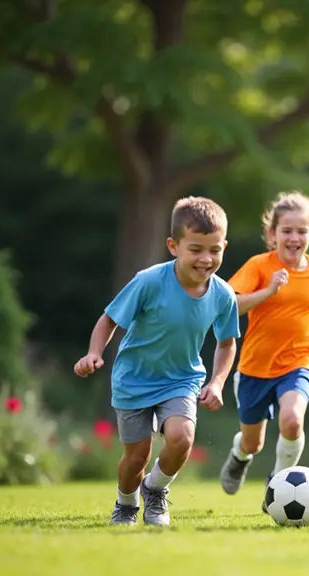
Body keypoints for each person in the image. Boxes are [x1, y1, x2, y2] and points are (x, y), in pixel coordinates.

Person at [74, 196, 240, 527]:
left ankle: (155, 490)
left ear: (223, 246)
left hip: (181, 380)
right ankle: (125, 503)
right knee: (136, 457)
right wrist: (94, 353)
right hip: (134, 379)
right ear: (173, 246)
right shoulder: (149, 281)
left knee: (182, 438)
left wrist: (218, 382)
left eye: (214, 250)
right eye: (196, 249)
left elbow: (226, 342)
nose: (206, 259)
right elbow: (109, 319)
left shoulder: (223, 294)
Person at [218, 192, 309, 512]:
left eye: (301, 231)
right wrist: (268, 290)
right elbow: (230, 305)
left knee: (291, 420)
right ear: (272, 234)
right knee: (253, 442)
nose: (294, 238)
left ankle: (278, 481)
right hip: (254, 367)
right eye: (286, 231)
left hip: (300, 360)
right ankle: (240, 456)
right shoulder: (259, 266)